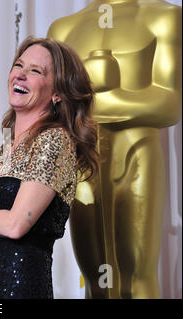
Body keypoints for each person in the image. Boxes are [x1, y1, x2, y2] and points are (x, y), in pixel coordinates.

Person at [0, 37, 98, 298]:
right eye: (19, 66)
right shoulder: (4, 148)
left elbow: (16, 224)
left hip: (17, 288)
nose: (21, 75)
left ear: (57, 93)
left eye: (36, 71)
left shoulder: (54, 141)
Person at [47, 0, 181, 298]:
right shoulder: (64, 28)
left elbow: (169, 103)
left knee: (135, 273)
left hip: (135, 155)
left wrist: (90, 101)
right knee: (95, 275)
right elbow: (53, 105)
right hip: (81, 163)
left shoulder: (163, 16)